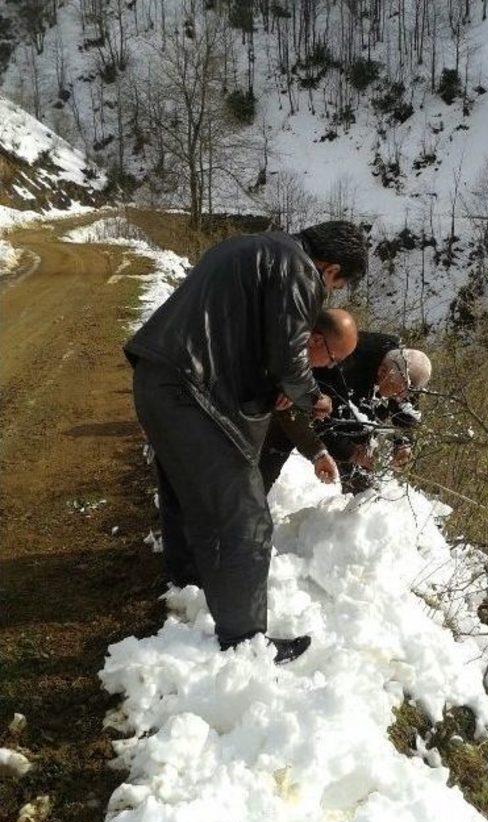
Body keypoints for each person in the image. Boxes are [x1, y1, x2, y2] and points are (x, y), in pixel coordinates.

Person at [125, 221, 368, 664]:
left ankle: (188, 583)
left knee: (184, 490)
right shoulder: (298, 269)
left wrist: (273, 379)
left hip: (156, 375)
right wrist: (314, 397)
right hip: (190, 391)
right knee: (248, 520)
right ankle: (245, 643)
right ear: (330, 269)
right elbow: (290, 357)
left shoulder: (251, 248)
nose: (328, 293)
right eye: (336, 284)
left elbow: (237, 335)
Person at [260, 332, 431, 495]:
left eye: (402, 395)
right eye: (395, 393)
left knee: (363, 486)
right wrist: (349, 453)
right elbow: (317, 415)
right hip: (298, 405)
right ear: (382, 372)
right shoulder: (345, 360)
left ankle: (355, 518)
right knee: (265, 468)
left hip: (356, 423)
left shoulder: (404, 368)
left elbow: (407, 409)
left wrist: (404, 443)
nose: (397, 399)